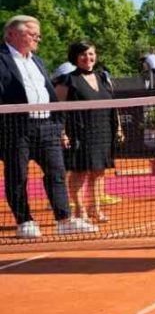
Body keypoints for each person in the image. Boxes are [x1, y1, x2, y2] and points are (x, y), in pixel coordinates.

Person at [0, 15, 98, 238]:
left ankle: (64, 219)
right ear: (12, 34)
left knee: (56, 172)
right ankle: (24, 221)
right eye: (32, 34)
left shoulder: (38, 61)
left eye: (38, 34)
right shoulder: (1, 59)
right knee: (17, 175)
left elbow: (49, 93)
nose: (38, 38)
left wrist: (57, 124)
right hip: (16, 129)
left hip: (47, 126)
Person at [54, 41, 123, 224]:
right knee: (79, 172)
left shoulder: (103, 78)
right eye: (83, 54)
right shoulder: (67, 80)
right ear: (75, 57)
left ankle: (95, 208)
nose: (88, 58)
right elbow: (57, 110)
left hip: (103, 131)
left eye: (91, 54)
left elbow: (112, 105)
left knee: (99, 172)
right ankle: (79, 210)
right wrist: (62, 133)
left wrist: (118, 127)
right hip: (79, 133)